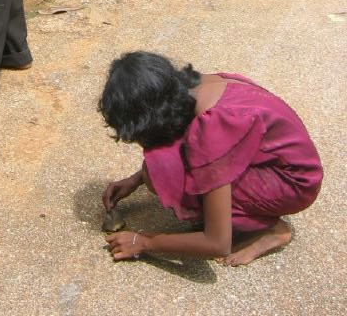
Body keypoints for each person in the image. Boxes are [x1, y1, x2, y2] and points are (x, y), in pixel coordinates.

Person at [99, 52, 323, 266]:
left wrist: (144, 242)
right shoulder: (194, 86)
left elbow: (217, 243)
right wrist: (135, 179)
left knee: (161, 175)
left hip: (294, 184)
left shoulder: (212, 127)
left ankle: (272, 229)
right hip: (278, 163)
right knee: (153, 170)